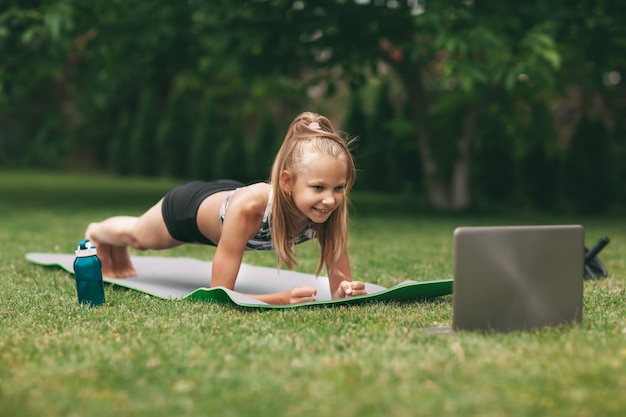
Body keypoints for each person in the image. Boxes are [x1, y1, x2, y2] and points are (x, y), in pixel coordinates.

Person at [85, 111, 367, 305]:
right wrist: (279, 298)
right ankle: (98, 232)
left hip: (227, 197)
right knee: (139, 238)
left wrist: (347, 290)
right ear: (287, 182)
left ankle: (112, 243)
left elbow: (339, 289)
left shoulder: (327, 212)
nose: (330, 199)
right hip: (190, 210)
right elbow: (220, 293)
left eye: (338, 188)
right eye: (318, 188)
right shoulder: (251, 209)